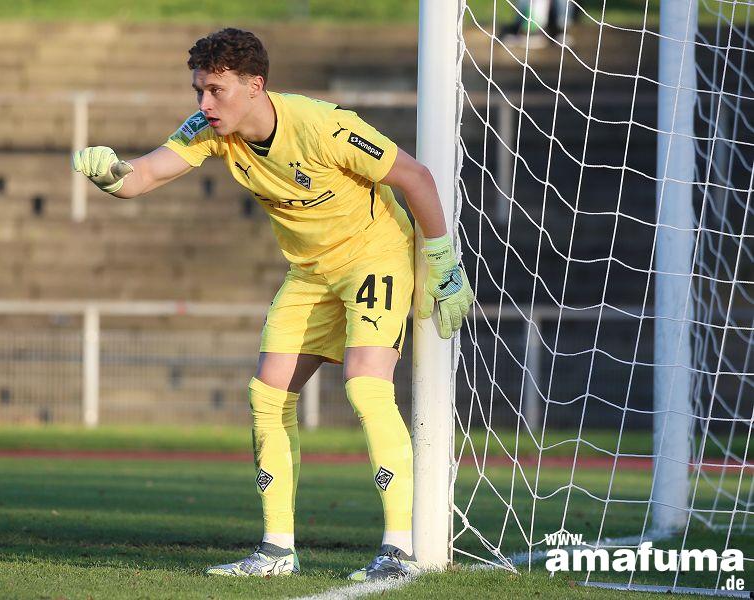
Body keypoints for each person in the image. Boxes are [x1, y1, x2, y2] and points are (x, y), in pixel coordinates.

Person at [72, 28, 473, 581]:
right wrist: (110, 174)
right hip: (309, 272)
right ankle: (277, 550)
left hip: (373, 256)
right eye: (198, 91)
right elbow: (142, 175)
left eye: (215, 90)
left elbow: (416, 177)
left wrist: (443, 261)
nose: (204, 103)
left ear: (254, 86)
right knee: (267, 395)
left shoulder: (324, 127)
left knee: (365, 384)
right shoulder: (212, 130)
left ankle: (398, 551)